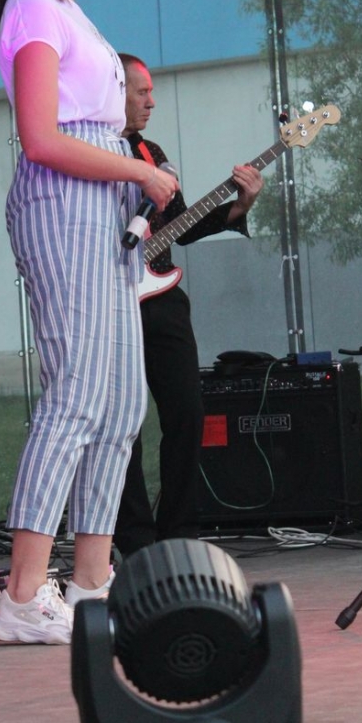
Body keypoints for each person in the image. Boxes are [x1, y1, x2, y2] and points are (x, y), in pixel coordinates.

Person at [0, 0, 178, 644]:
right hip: (62, 203)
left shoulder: (67, 8)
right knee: (75, 397)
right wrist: (140, 171)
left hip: (100, 206)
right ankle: (23, 594)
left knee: (122, 401)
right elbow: (40, 137)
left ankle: (92, 582)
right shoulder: (30, 7)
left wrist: (130, 178)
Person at [113, 53, 263, 556]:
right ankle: (135, 541)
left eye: (152, 92)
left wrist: (239, 206)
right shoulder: (91, 154)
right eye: (142, 92)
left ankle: (178, 533)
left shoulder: (151, 152)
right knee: (124, 425)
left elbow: (180, 225)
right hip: (112, 304)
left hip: (162, 301)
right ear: (115, 92)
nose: (151, 101)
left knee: (187, 414)